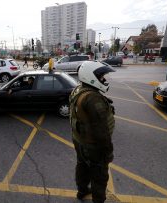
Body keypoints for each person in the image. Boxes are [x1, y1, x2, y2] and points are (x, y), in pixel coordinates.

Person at [69, 61, 115, 203]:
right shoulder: (93, 99)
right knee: (99, 176)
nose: (104, 80)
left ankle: (82, 191)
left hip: (79, 140)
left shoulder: (78, 89)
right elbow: (101, 131)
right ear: (91, 77)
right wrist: (108, 152)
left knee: (82, 166)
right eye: (101, 77)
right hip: (93, 145)